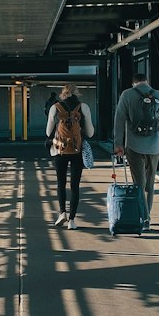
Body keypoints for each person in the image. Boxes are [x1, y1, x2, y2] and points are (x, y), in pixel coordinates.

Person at [113, 70, 159, 228]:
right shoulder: (157, 94)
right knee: (149, 184)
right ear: (147, 81)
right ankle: (147, 216)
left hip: (134, 146)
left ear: (133, 83)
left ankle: (144, 218)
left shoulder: (127, 94)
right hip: (154, 146)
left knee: (138, 184)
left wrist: (118, 144)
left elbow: (119, 119)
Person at [46, 82, 94, 229]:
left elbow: (48, 132)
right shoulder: (83, 107)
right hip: (77, 150)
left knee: (61, 183)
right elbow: (91, 133)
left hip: (59, 150)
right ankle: (72, 221)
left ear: (63, 93)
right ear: (76, 92)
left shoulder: (55, 107)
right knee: (75, 185)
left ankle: (62, 213)